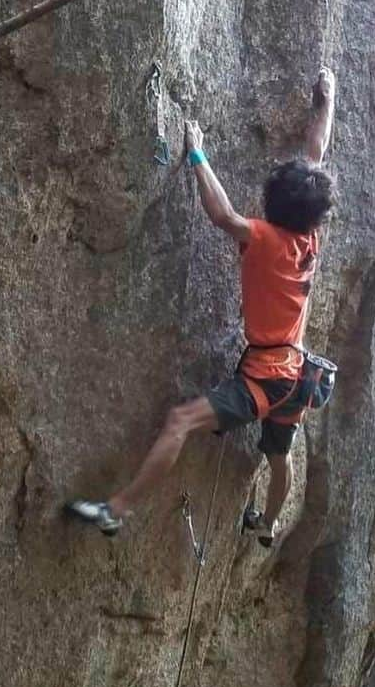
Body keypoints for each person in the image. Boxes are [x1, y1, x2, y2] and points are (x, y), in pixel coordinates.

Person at [67, 67, 337, 547]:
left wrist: (196, 152)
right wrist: (328, 99)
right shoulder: (308, 238)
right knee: (279, 455)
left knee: (180, 421)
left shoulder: (267, 239)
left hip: (268, 376)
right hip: (297, 374)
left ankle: (117, 509)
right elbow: (317, 156)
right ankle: (268, 525)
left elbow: (223, 215)